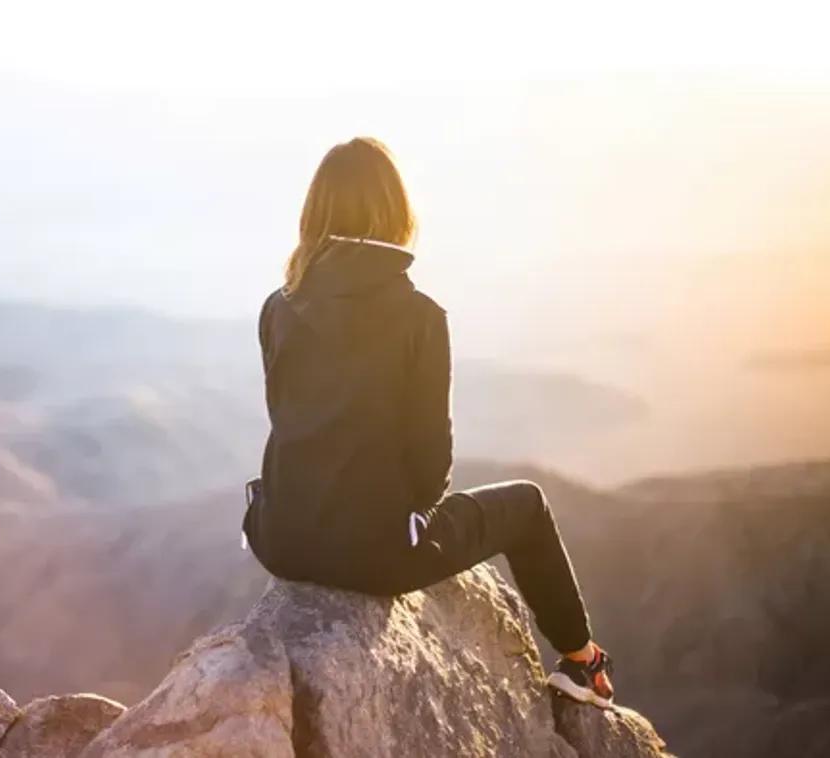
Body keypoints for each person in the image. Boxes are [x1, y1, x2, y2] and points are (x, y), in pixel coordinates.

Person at [241, 136, 615, 708]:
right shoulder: (419, 317)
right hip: (377, 555)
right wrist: (406, 515)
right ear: (396, 214)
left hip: (279, 537)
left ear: (313, 214)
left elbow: (288, 421)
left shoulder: (277, 305)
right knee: (529, 505)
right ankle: (581, 660)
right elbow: (431, 469)